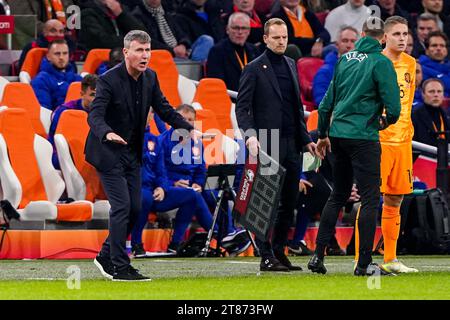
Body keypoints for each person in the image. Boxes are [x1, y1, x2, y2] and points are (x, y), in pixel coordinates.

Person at [87, 30, 199, 281]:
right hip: (107, 151)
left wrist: (189, 129)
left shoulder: (150, 77)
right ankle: (119, 265)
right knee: (122, 206)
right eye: (139, 50)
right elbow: (94, 115)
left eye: (147, 50)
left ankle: (105, 255)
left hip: (131, 153)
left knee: (136, 208)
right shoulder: (108, 80)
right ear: (126, 52)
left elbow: (165, 109)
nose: (145, 55)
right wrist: (107, 133)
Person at [308, 17, 401, 276]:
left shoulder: (345, 59)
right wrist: (383, 122)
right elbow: (394, 107)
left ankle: (317, 257)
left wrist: (324, 134)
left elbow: (326, 104)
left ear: (361, 34)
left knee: (337, 194)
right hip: (364, 137)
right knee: (371, 199)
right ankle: (363, 265)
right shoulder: (381, 62)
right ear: (383, 38)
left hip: (337, 136)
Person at [236, 18, 316, 272]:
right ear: (266, 39)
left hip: (291, 141)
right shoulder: (253, 68)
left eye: (284, 37)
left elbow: (296, 108)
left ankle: (279, 252)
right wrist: (250, 135)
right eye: (277, 37)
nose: (282, 41)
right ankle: (265, 255)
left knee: (289, 201)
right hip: (267, 140)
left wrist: (306, 140)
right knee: (265, 202)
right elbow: (243, 107)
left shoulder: (292, 64)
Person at [354, 16, 419, 274]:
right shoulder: (373, 62)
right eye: (397, 34)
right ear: (384, 37)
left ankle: (390, 258)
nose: (402, 39)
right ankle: (361, 259)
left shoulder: (411, 64)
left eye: (405, 34)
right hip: (378, 141)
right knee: (371, 199)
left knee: (395, 198)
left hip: (403, 141)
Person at [159, 104, 252, 255]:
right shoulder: (162, 141)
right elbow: (159, 171)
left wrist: (198, 183)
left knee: (216, 194)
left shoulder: (196, 142)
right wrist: (173, 183)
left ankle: (229, 234)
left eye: (191, 120)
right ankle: (224, 236)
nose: (187, 122)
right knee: (194, 197)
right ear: (174, 119)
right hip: (171, 186)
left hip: (192, 186)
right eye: (183, 119)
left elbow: (201, 169)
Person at [49, 74, 98, 169]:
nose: (97, 99)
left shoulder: (106, 111)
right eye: (93, 95)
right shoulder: (64, 112)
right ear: (82, 94)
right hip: (66, 159)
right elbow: (54, 144)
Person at [206, 12, 259, 91]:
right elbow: (217, 83)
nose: (240, 32)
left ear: (249, 31)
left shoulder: (254, 50)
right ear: (227, 29)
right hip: (229, 98)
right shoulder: (217, 51)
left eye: (244, 28)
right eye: (236, 28)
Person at [31, 39, 82, 111]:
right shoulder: (41, 80)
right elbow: (44, 111)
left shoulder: (78, 79)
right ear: (48, 56)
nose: (61, 57)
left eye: (65, 53)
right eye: (57, 54)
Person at [313, 26, 359, 105]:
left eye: (353, 41)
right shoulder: (325, 71)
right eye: (345, 41)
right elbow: (321, 100)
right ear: (337, 45)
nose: (349, 45)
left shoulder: (365, 70)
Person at [79, 0, 145, 51]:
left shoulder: (121, 9)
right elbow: (102, 41)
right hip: (102, 62)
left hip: (127, 58)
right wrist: (131, 42)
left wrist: (121, 15)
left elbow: (143, 34)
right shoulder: (87, 13)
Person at [413, 78, 450, 146]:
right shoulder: (414, 116)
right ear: (423, 94)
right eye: (431, 91)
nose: (436, 95)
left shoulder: (446, 116)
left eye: (439, 91)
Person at [419, 31, 450, 97]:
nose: (438, 48)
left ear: (446, 50)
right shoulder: (419, 69)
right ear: (427, 50)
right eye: (434, 45)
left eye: (442, 46)